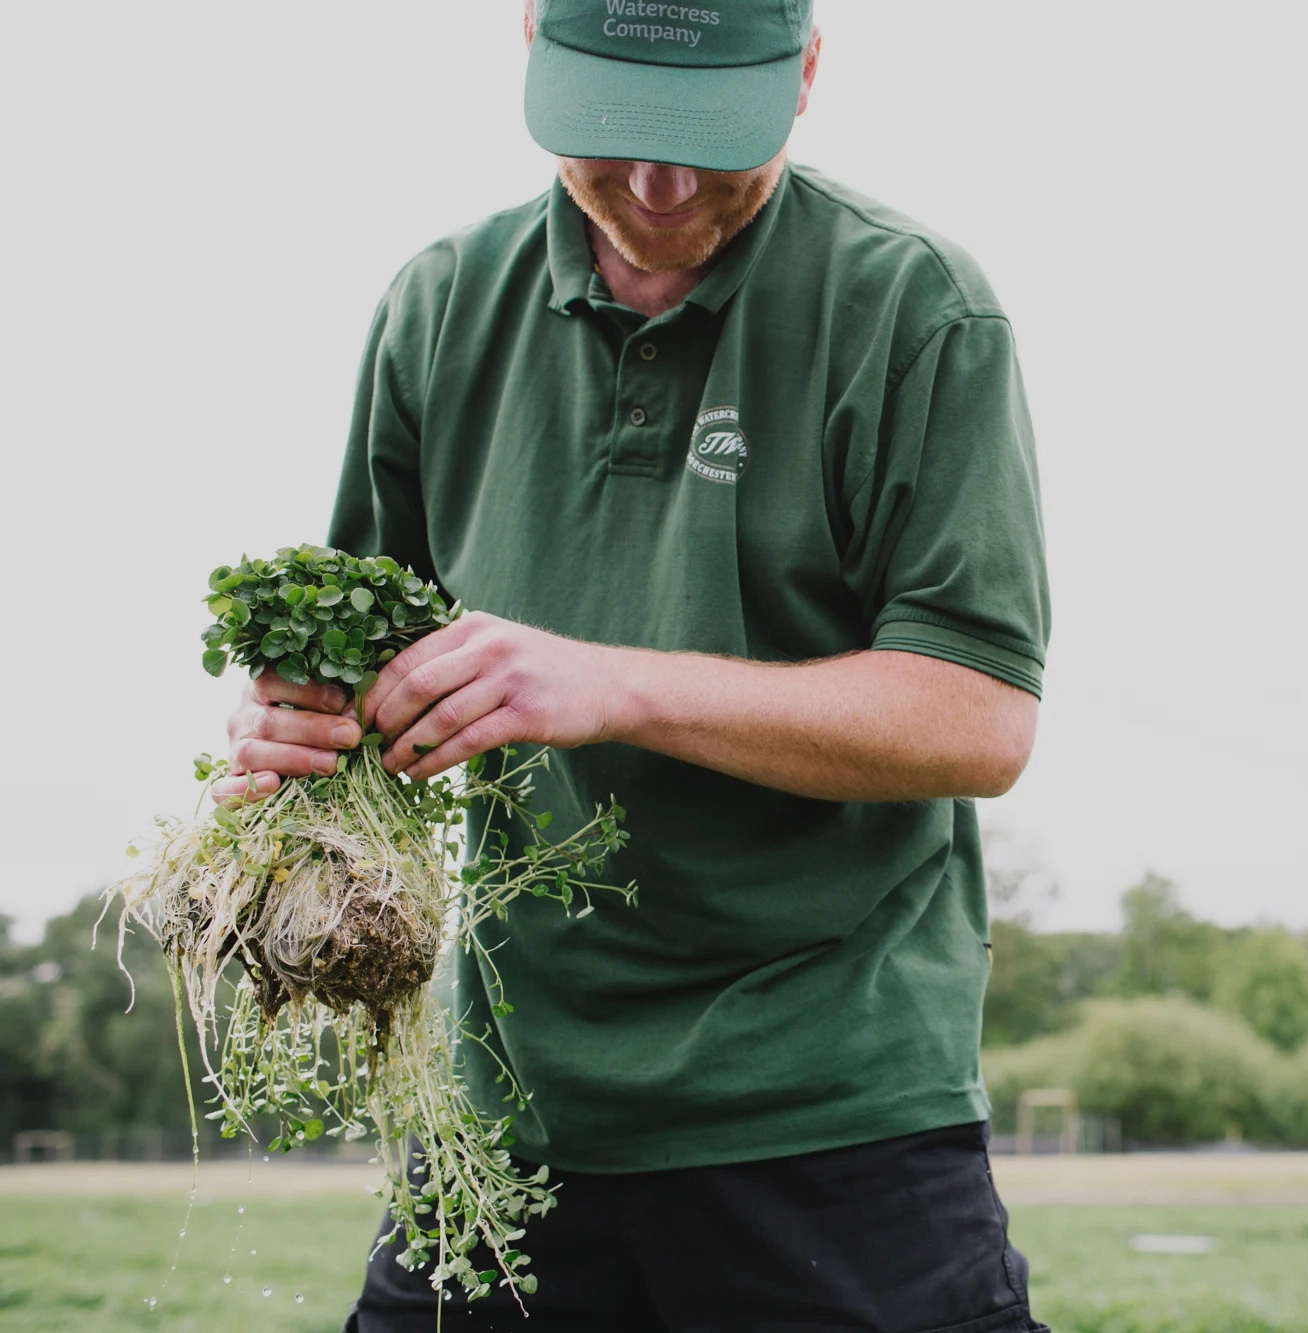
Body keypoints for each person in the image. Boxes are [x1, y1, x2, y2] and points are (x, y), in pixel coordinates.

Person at [216, 2, 1051, 1328]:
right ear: (534, 55)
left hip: (827, 1110)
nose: (658, 189)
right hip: (503, 1108)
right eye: (614, 136)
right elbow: (355, 680)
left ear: (807, 75)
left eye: (707, 138)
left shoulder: (915, 305)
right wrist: (292, 741)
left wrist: (616, 685)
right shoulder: (441, 305)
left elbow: (979, 719)